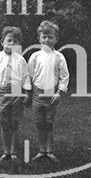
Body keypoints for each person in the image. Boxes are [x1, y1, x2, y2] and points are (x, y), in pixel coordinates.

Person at [26, 20, 69, 163]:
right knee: (39, 124)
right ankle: (41, 150)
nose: (47, 39)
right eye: (44, 37)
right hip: (37, 95)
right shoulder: (34, 57)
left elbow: (64, 76)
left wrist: (58, 93)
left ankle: (49, 151)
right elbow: (29, 76)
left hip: (51, 95)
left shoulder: (59, 57)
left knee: (49, 123)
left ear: (56, 39)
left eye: (50, 37)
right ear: (39, 39)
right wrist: (28, 93)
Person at [0, 26, 31, 163]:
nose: (12, 44)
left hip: (16, 93)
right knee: (4, 124)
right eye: (9, 40)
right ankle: (6, 152)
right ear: (2, 41)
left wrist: (27, 94)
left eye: (15, 41)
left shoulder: (21, 60)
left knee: (14, 124)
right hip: (0, 93)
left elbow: (25, 78)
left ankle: (14, 152)